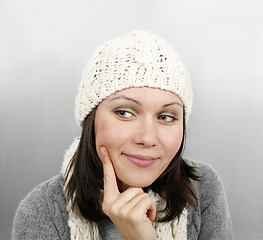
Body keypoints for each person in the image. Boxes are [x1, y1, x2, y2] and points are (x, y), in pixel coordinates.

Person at [12, 31, 233, 239]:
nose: (147, 138)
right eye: (124, 112)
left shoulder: (202, 188)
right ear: (92, 120)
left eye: (166, 117)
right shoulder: (42, 211)